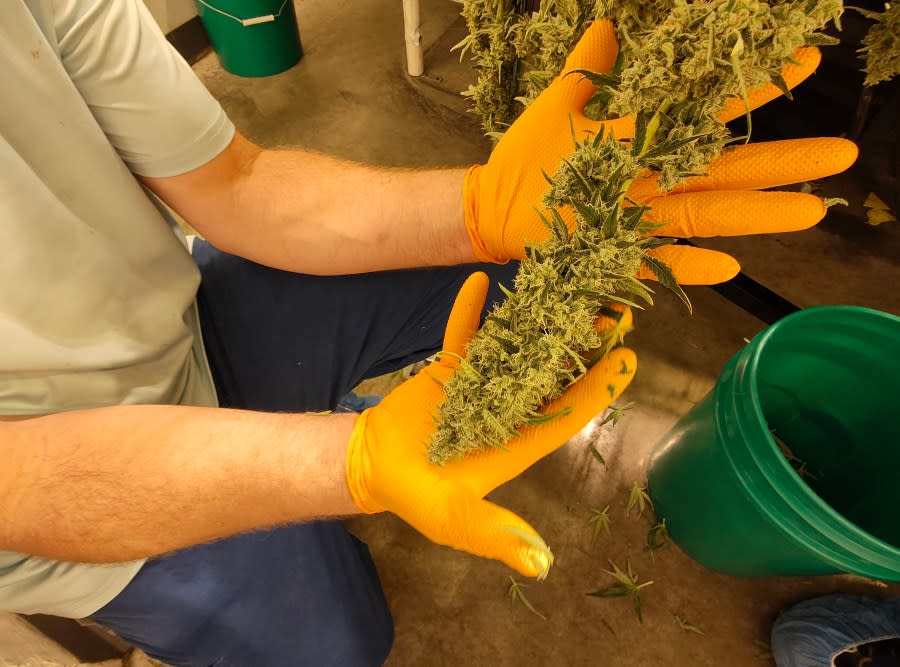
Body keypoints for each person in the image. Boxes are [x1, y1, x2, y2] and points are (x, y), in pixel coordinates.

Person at [0, 1, 858, 665]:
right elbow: (20, 485)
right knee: (345, 640)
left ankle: (318, 461)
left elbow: (239, 185)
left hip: (186, 319)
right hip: (74, 501)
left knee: (535, 257)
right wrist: (351, 461)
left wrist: (477, 211)